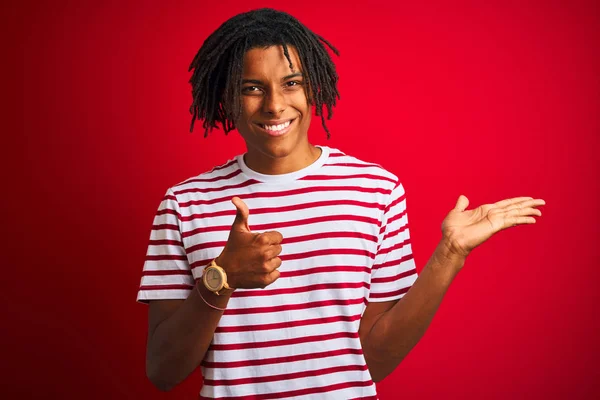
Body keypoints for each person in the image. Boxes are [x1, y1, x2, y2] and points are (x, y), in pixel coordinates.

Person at [136, 8, 545, 399]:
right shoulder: (185, 204)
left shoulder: (374, 190)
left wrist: (450, 254)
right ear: (226, 98)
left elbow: (373, 360)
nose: (275, 105)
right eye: (251, 88)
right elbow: (163, 372)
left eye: (291, 83)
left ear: (313, 86)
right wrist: (221, 277)